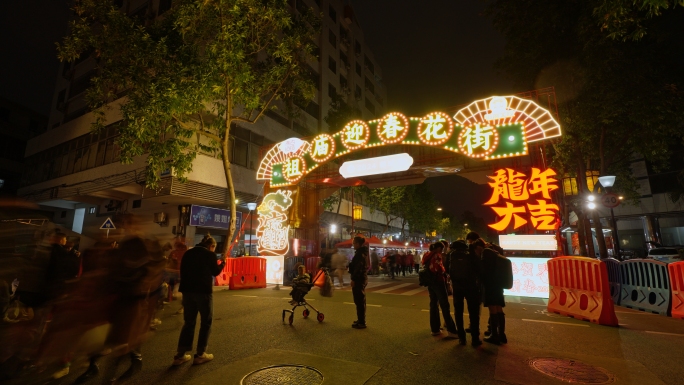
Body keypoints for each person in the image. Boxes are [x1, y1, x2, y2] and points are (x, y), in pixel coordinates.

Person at [172, 234, 225, 366]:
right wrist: (222, 264)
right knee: (206, 322)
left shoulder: (188, 253)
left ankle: (180, 355)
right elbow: (215, 272)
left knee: (189, 322)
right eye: (214, 248)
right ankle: (200, 354)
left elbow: (182, 271)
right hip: (203, 292)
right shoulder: (209, 255)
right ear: (211, 246)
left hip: (187, 292)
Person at [472, 238, 507, 344]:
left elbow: (484, 271)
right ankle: (502, 335)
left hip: (490, 285)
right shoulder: (493, 251)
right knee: (499, 309)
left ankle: (494, 335)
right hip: (498, 285)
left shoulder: (486, 253)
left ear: (478, 247)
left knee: (493, 309)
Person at [449, 240, 482, 346]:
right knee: (473, 313)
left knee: (458, 312)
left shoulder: (451, 255)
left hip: (457, 287)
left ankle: (462, 338)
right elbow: (479, 269)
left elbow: (447, 270)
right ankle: (475, 339)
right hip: (471, 287)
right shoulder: (471, 255)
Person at [421, 242, 458, 339]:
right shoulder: (437, 256)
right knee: (445, 305)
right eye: (441, 248)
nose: (442, 250)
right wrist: (445, 273)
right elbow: (439, 268)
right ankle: (452, 330)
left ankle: (435, 329)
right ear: (438, 248)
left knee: (433, 304)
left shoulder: (426, 255)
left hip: (430, 282)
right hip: (438, 281)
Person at [349, 236, 368, 329]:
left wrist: (354, 279)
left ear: (357, 244)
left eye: (354, 243)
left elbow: (358, 269)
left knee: (359, 301)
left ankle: (362, 322)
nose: (353, 245)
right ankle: (360, 320)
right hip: (362, 279)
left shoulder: (360, 254)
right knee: (359, 301)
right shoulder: (361, 253)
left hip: (359, 280)